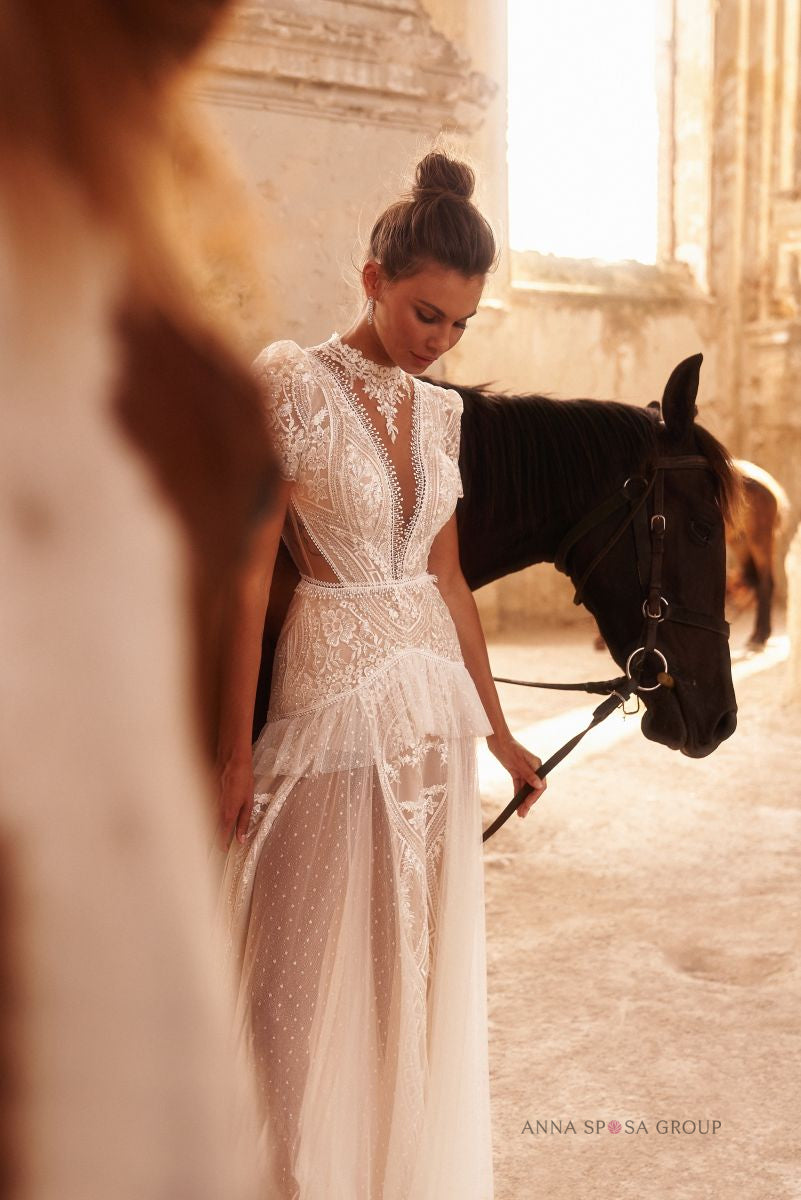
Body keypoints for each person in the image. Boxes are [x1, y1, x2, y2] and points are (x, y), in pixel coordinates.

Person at [215, 150, 547, 1200]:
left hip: (432, 712)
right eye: (424, 315)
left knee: (411, 973)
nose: (440, 342)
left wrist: (499, 735)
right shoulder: (290, 382)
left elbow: (448, 580)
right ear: (371, 278)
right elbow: (244, 579)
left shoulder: (443, 413)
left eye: (460, 325)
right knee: (291, 977)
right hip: (331, 696)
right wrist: (234, 748)